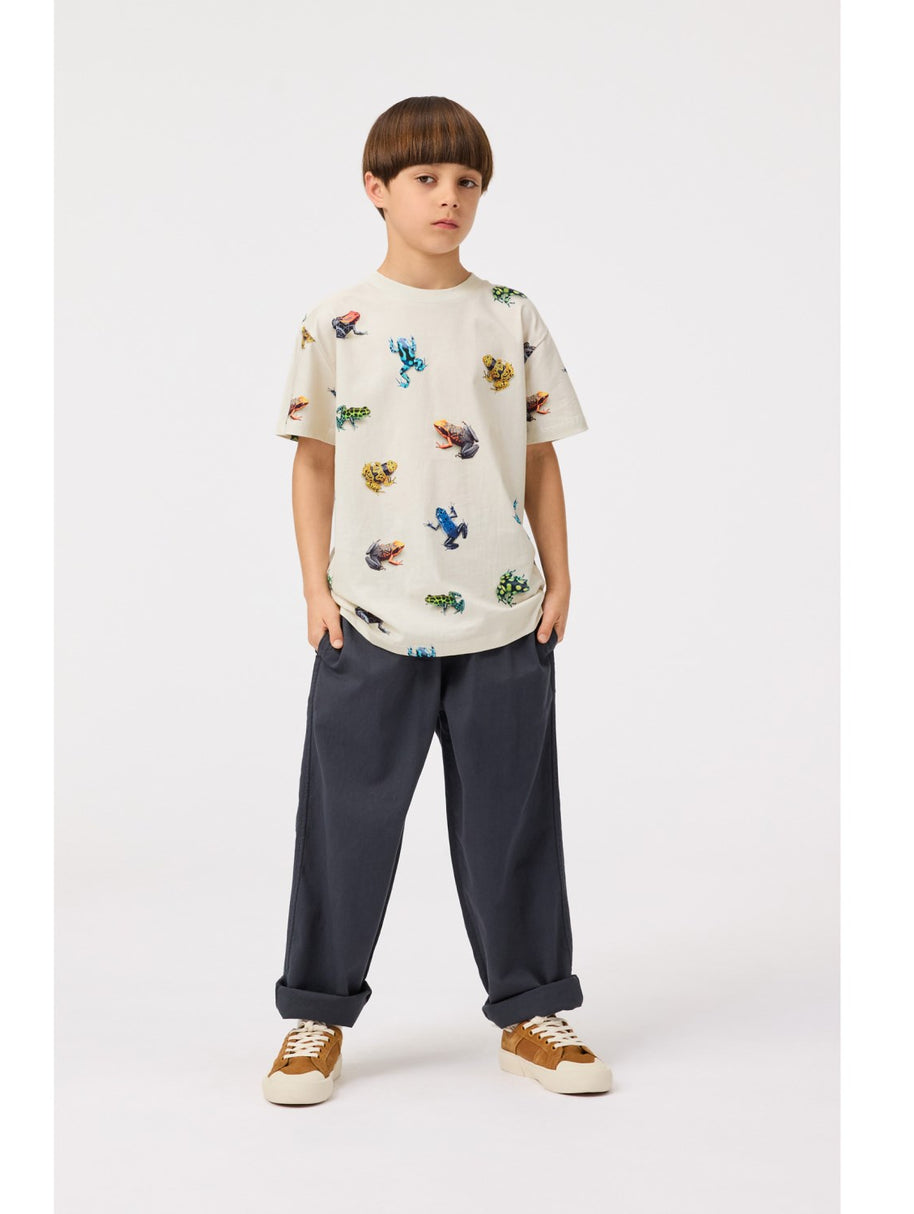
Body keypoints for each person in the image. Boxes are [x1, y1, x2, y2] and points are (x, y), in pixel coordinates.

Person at [262, 96, 611, 1105]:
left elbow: (539, 459)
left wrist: (559, 576)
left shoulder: (510, 314)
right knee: (344, 826)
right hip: (370, 616)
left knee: (513, 825)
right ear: (377, 190)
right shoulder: (337, 322)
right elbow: (314, 461)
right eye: (425, 179)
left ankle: (532, 1011)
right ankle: (315, 1017)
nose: (447, 197)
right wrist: (314, 589)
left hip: (503, 617)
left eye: (466, 181)